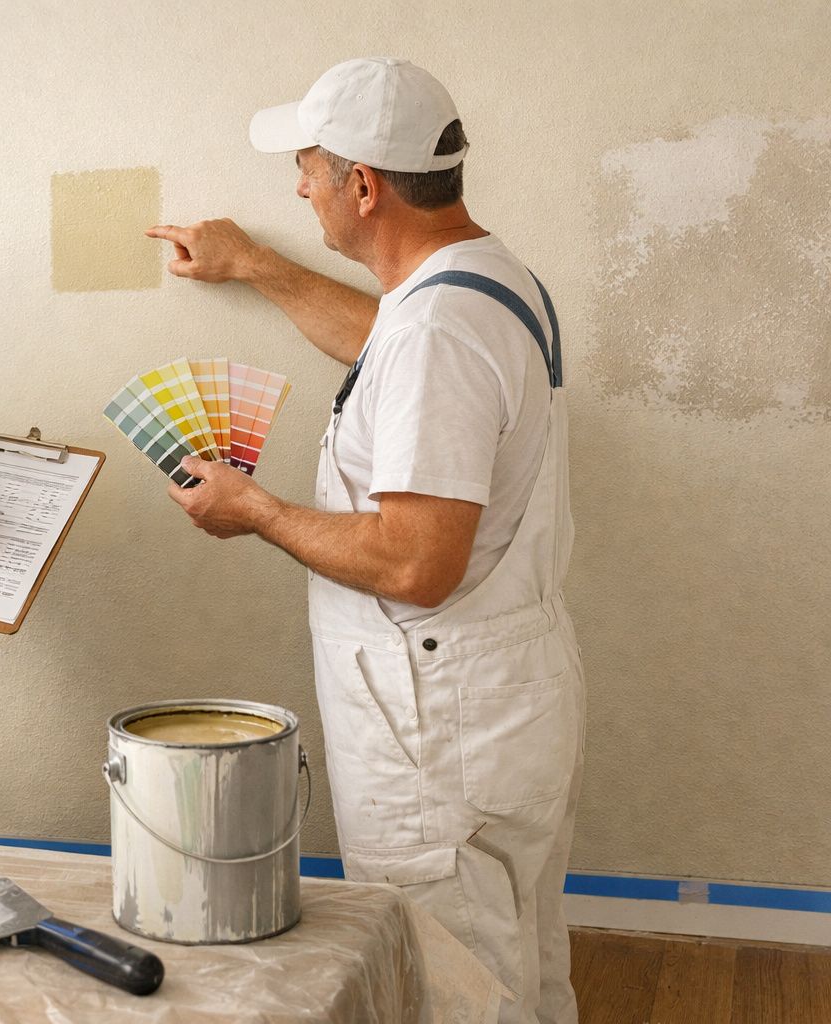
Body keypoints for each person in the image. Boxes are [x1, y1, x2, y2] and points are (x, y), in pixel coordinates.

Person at [146, 58, 584, 1024]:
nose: (297, 190)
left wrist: (252, 508)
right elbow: (384, 343)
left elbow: (414, 563)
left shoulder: (438, 332)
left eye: (307, 169)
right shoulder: (482, 282)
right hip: (506, 694)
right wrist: (255, 265)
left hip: (436, 725)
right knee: (525, 966)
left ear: (363, 186)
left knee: (454, 983)